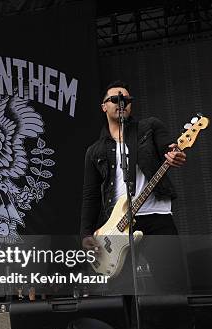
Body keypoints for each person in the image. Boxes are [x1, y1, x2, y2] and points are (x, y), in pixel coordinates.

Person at [80, 80, 187, 293]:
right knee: (122, 290)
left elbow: (168, 146)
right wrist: (85, 233)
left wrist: (174, 152)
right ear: (104, 106)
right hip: (117, 225)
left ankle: (179, 325)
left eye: (127, 100)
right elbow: (90, 194)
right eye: (115, 99)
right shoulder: (95, 151)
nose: (122, 103)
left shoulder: (149, 127)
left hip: (157, 216)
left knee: (174, 282)